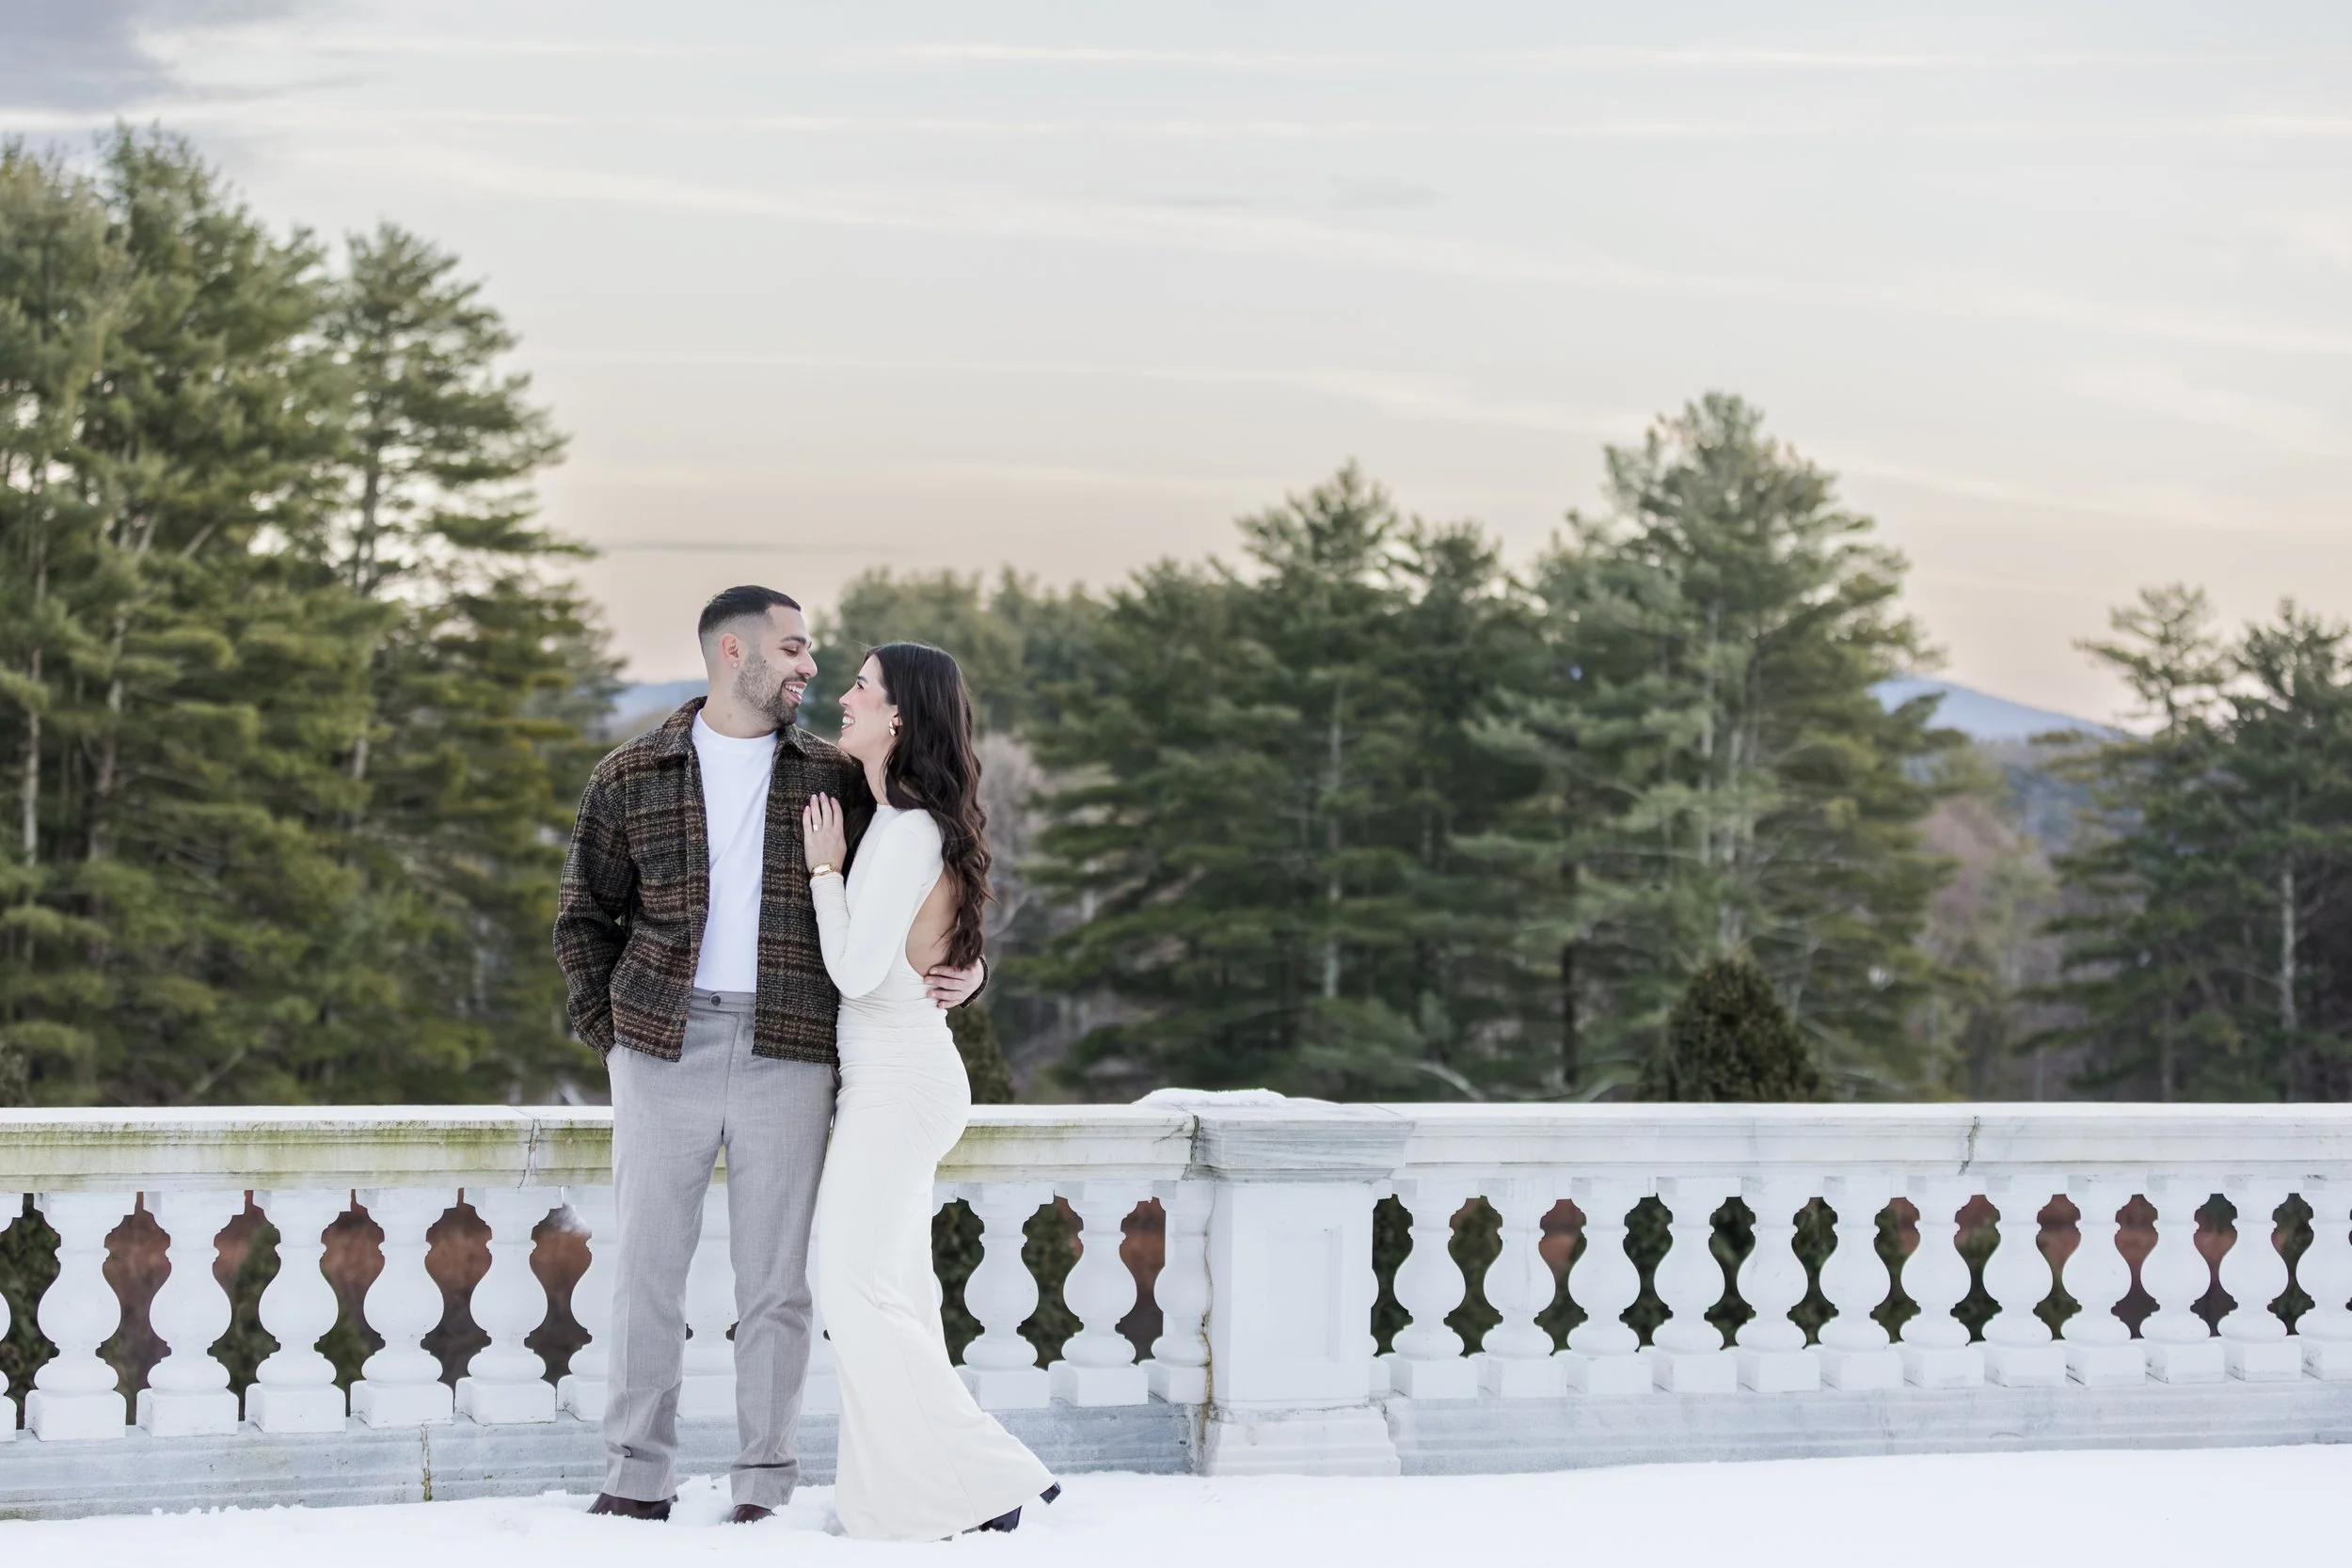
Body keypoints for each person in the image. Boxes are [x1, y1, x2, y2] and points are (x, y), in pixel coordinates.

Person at [553, 587, 986, 1526]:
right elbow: (583, 916)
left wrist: (969, 963)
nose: (810, 666)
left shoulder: (838, 776)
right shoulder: (630, 773)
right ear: (731, 651)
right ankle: (636, 1474)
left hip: (792, 1046)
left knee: (779, 1283)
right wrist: (614, 1035)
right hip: (660, 1043)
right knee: (648, 1273)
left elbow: (927, 876)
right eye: (793, 648)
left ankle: (763, 1481)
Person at [799, 641, 1059, 1540]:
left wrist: (825, 872)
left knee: (852, 1287)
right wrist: (970, 970)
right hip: (902, 1076)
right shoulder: (902, 822)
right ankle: (902, 1499)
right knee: (895, 1291)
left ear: (899, 714)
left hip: (899, 1082)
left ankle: (989, 1471)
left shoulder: (903, 829)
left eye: (861, 688)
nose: (844, 697)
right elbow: (924, 954)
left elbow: (858, 970)